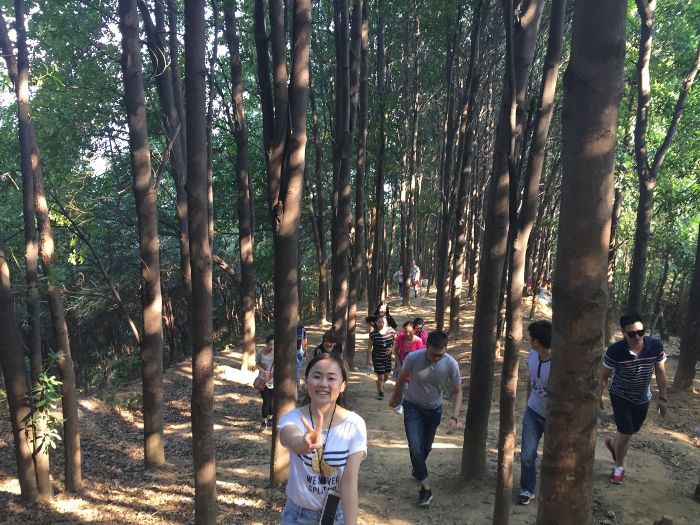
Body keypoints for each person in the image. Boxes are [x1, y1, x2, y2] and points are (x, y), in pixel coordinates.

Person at [279, 353, 367, 525]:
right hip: (297, 516)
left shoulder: (355, 424)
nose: (323, 384)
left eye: (331, 378)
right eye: (317, 376)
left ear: (342, 385)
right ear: (306, 381)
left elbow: (349, 482)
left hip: (336, 515)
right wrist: (304, 442)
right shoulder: (292, 419)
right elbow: (293, 439)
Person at [388, 331, 462, 507]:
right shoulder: (413, 358)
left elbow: (458, 391)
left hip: (434, 410)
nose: (436, 358)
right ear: (426, 347)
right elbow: (401, 378)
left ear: (445, 349)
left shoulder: (451, 364)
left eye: (440, 355)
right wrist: (395, 396)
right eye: (433, 354)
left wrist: (455, 417)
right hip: (412, 407)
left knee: (426, 447)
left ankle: (418, 469)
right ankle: (426, 488)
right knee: (415, 447)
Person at [599, 313, 668, 485]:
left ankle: (613, 444)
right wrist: (598, 395)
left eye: (641, 332)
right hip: (620, 394)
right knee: (626, 431)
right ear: (624, 333)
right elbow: (604, 375)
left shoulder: (655, 346)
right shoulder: (615, 350)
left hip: (642, 397)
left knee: (632, 429)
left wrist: (663, 398)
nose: (637, 337)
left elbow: (660, 372)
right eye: (632, 334)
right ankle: (619, 468)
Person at [517, 320, 552, 505]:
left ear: (536, 341)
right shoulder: (532, 355)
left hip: (553, 417)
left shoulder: (557, 365)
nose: (529, 340)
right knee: (527, 455)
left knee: (553, 456)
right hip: (533, 411)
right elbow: (530, 379)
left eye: (531, 338)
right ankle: (527, 488)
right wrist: (528, 403)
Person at [391, 320, 425, 415]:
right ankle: (400, 404)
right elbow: (395, 351)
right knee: (402, 386)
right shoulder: (400, 338)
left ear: (414, 330)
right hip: (402, 364)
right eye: (405, 331)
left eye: (410, 331)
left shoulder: (418, 341)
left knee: (409, 387)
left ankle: (408, 404)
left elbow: (420, 357)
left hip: (413, 367)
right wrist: (398, 365)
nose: (407, 334)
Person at [365, 315, 396, 400]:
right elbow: (369, 348)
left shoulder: (391, 331)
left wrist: (391, 349)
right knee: (381, 377)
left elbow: (396, 343)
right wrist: (368, 360)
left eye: (383, 322)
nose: (381, 324)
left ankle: (379, 382)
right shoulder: (373, 334)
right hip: (377, 358)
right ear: (376, 323)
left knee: (387, 376)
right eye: (379, 322)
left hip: (387, 358)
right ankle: (380, 393)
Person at [255, 333, 275, 432]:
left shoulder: (277, 352)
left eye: (274, 345)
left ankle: (270, 417)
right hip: (263, 380)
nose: (272, 347)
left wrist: (272, 373)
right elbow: (257, 364)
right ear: (266, 344)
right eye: (270, 344)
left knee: (272, 401)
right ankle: (264, 421)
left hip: (274, 381)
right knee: (266, 401)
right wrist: (263, 371)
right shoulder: (260, 352)